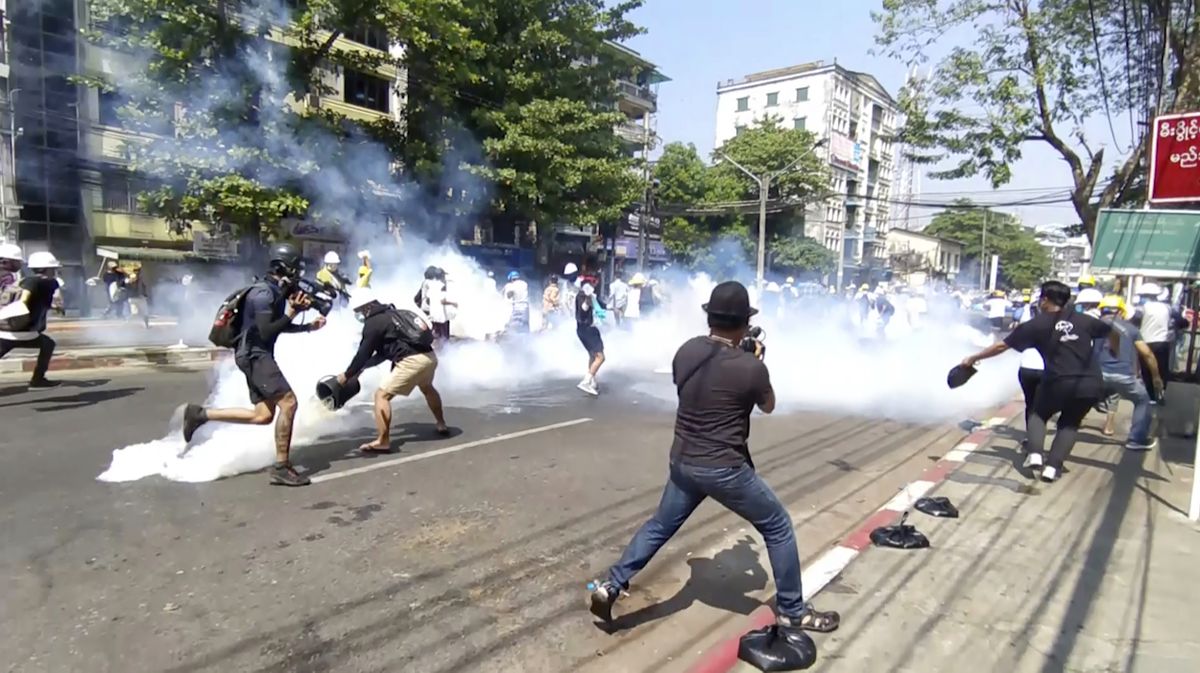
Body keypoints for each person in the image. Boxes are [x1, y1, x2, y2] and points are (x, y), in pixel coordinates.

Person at [588, 280, 840, 637]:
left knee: (660, 525)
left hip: (683, 460)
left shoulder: (687, 351)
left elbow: (690, 387)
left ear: (711, 319)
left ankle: (611, 585)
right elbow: (768, 406)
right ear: (742, 323)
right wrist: (753, 360)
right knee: (778, 526)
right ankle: (792, 612)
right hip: (723, 468)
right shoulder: (750, 367)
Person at [179, 243, 326, 487]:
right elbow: (266, 330)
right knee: (289, 403)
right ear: (282, 267)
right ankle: (281, 466)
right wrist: (292, 311)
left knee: (263, 415)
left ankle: (199, 415)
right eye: (294, 269)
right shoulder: (263, 294)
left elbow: (276, 325)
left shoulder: (273, 293)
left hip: (256, 354)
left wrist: (307, 326)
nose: (298, 275)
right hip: (255, 355)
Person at [960, 281, 1118, 483]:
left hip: (1059, 381)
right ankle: (1052, 468)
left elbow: (1001, 346)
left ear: (1044, 300)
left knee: (1038, 412)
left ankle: (1035, 454)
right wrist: (1114, 350)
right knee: (1069, 424)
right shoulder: (1085, 320)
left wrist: (973, 358)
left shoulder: (1036, 325)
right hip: (1090, 383)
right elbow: (1113, 332)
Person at [337, 288, 449, 451]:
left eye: (358, 311)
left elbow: (363, 354)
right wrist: (361, 369)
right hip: (429, 357)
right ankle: (441, 423)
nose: (358, 315)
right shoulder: (394, 314)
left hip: (411, 361)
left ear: (367, 307)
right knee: (427, 388)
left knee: (381, 396)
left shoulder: (373, 323)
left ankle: (383, 441)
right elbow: (383, 354)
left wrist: (347, 375)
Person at [1096, 295, 1161, 449]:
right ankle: (1136, 439)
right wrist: (1156, 377)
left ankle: (1065, 429)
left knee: (1080, 397)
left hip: (1096, 374)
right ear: (1121, 312)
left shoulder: (1091, 326)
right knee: (1142, 400)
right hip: (1123, 376)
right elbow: (1147, 354)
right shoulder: (1131, 329)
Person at [0, 251, 63, 388]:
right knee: (48, 344)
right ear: (48, 268)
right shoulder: (46, 282)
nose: (55, 271)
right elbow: (26, 297)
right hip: (26, 333)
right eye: (54, 268)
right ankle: (38, 379)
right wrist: (22, 306)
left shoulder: (24, 280)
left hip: (7, 331)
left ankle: (38, 380)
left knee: (47, 344)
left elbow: (35, 301)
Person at [1131, 282, 1183, 399]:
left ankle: (1150, 395)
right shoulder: (1168, 308)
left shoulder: (1140, 309)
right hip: (1163, 343)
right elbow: (1181, 321)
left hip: (1144, 343)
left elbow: (1133, 322)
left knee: (1146, 369)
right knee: (1162, 369)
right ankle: (1160, 393)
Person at [575, 282, 607, 395]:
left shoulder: (579, 296)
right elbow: (584, 308)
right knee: (600, 357)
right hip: (588, 330)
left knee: (592, 356)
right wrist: (589, 298)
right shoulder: (585, 298)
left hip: (581, 330)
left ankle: (592, 381)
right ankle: (586, 381)